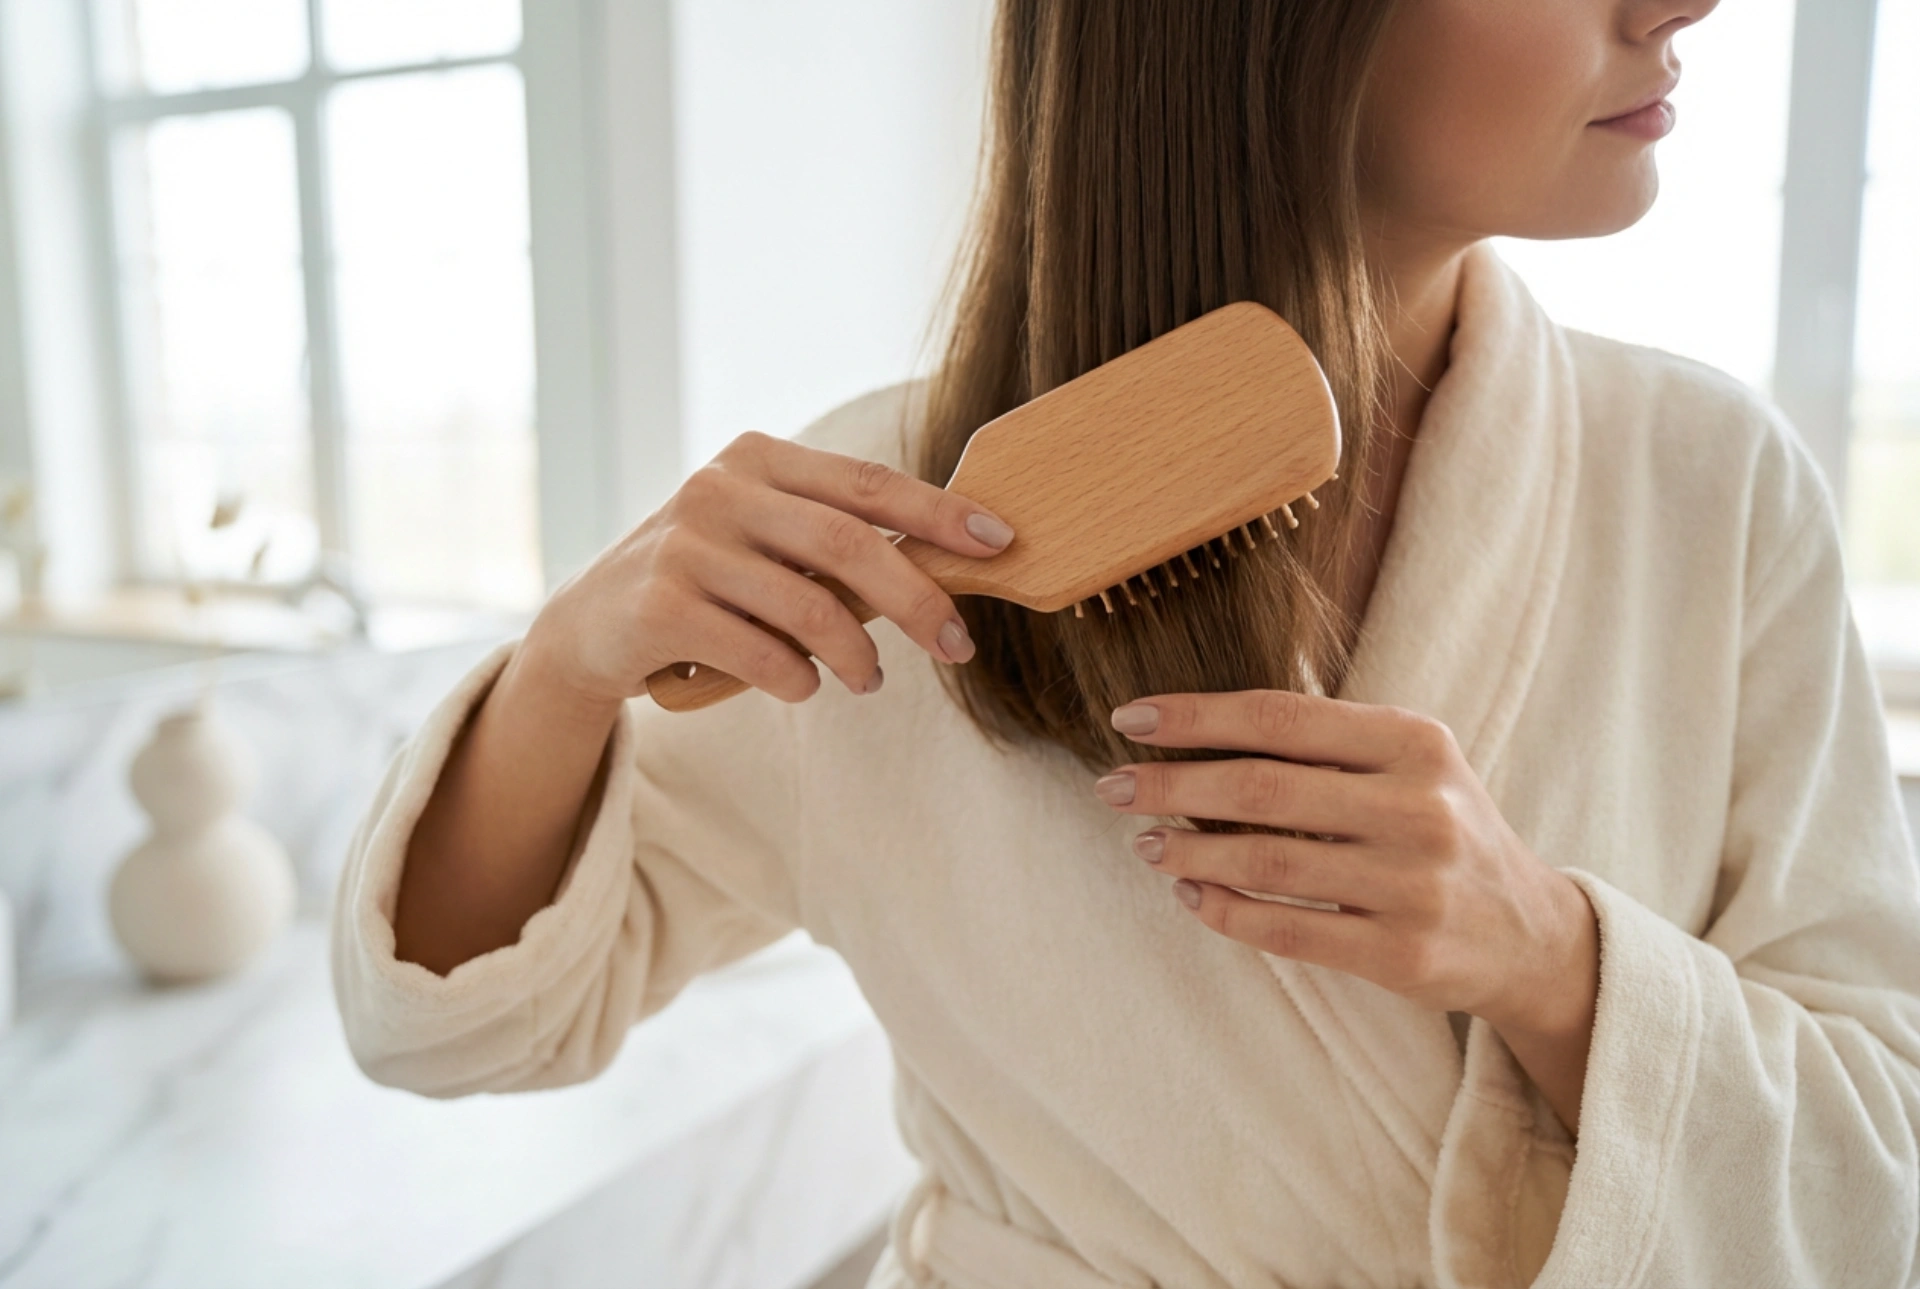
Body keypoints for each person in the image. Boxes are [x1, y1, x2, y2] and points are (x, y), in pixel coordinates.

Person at [332, 1, 1920, 1284]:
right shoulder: (890, 538)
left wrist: (1549, 957)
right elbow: (461, 1022)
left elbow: (1882, 1173)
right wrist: (562, 672)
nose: (1686, 3)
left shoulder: (1713, 487)